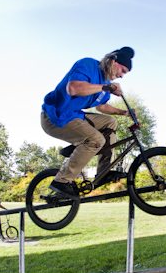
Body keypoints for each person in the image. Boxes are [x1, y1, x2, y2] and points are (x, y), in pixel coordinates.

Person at [41, 47, 135, 199]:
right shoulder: (88, 65)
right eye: (122, 70)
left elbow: (101, 106)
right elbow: (73, 88)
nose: (122, 76)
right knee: (96, 140)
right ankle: (61, 180)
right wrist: (107, 87)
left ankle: (103, 172)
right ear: (113, 61)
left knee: (110, 123)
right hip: (55, 117)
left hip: (75, 116)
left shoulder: (106, 83)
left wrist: (123, 113)